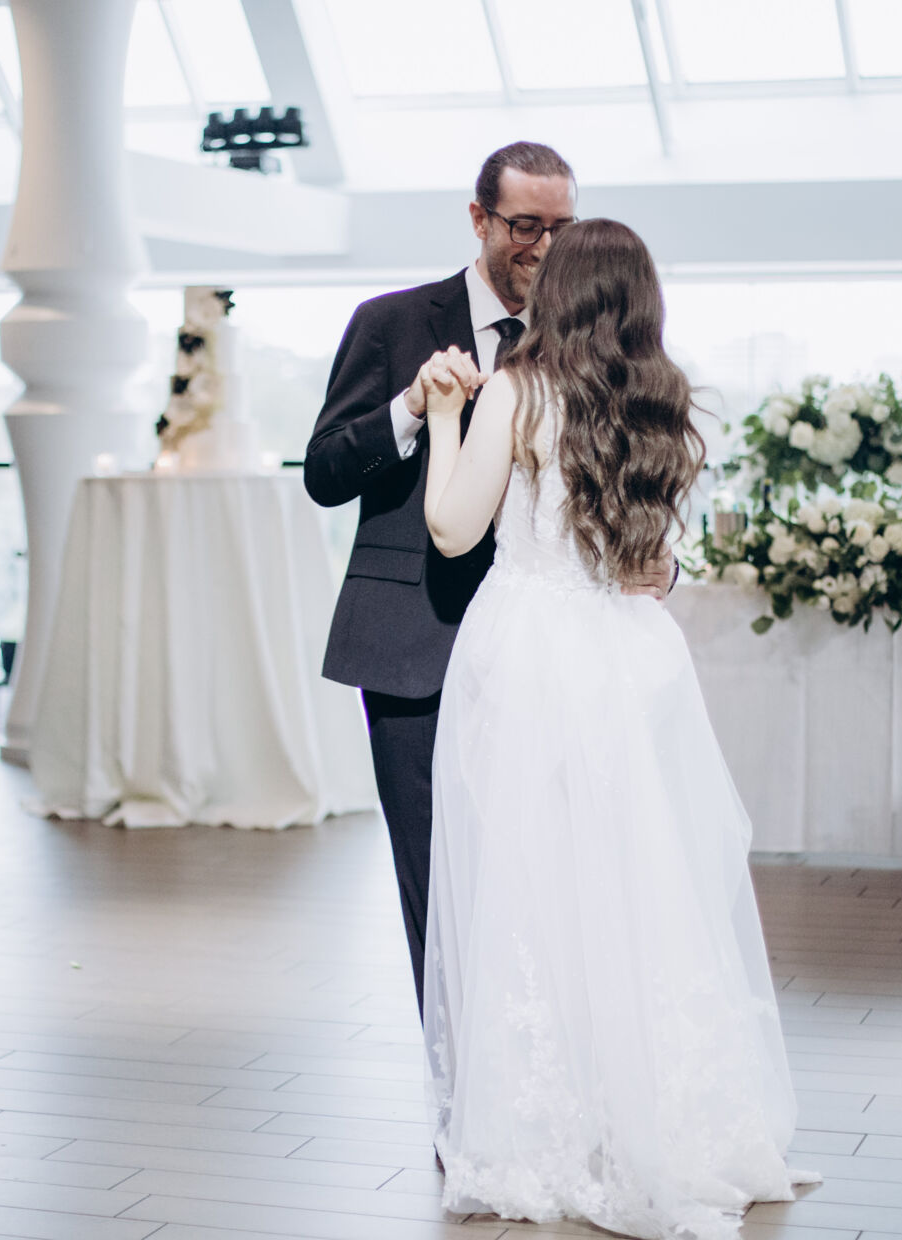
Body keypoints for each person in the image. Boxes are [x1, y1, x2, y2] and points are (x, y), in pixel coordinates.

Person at [417, 219, 815, 1237]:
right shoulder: (658, 398)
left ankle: (548, 1117)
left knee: (529, 880)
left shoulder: (518, 390)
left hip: (528, 652)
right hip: (630, 654)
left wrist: (450, 417)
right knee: (639, 879)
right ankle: (653, 1107)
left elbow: (453, 530)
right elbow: (652, 558)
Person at [304, 143, 668, 1011]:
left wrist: (656, 562)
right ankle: (457, 1072)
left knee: (557, 878)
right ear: (480, 220)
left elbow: (630, 480)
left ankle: (543, 1053)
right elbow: (323, 473)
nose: (544, 246)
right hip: (414, 648)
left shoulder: (595, 346)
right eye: (525, 226)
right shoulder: (390, 323)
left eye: (561, 227)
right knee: (434, 878)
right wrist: (411, 409)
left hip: (554, 662)